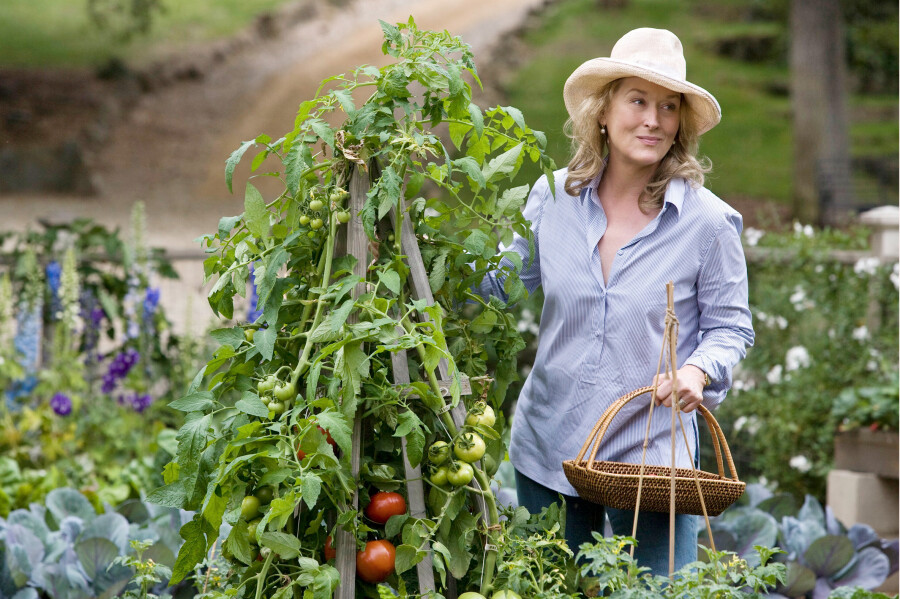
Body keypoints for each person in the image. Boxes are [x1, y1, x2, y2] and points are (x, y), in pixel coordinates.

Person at [475, 28, 754, 574]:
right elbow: (498, 285)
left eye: (668, 107)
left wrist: (698, 370)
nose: (653, 119)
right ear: (602, 112)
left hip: (652, 463)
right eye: (638, 100)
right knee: (551, 584)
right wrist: (420, 250)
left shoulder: (706, 222)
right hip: (548, 442)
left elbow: (731, 329)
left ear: (679, 125)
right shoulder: (553, 198)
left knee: (657, 590)